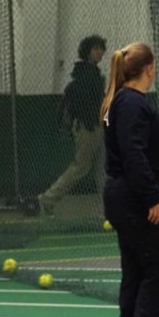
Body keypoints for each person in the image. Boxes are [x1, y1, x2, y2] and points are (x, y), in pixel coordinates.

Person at [101, 42, 159, 317]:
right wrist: (151, 197)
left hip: (126, 193)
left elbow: (137, 153)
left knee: (136, 267)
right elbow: (133, 154)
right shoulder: (132, 103)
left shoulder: (122, 101)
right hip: (133, 198)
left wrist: (158, 183)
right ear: (149, 68)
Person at [38, 35, 107, 216]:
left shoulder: (94, 74)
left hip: (97, 126)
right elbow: (83, 103)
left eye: (101, 49)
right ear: (87, 52)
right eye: (95, 49)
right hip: (88, 128)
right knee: (81, 167)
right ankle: (48, 198)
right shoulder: (85, 75)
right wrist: (89, 124)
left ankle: (110, 208)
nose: (99, 52)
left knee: (103, 168)